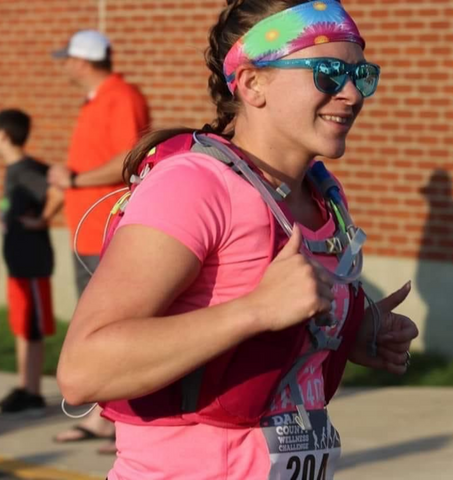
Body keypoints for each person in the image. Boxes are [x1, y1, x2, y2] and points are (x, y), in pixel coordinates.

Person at [57, 1, 418, 478]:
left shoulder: (322, 195)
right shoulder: (194, 186)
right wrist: (255, 310)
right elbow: (83, 370)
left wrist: (350, 333)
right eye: (328, 73)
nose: (352, 94)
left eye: (361, 75)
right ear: (252, 83)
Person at [49, 29, 150, 451]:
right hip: (84, 230)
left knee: (109, 329)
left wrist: (74, 179)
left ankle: (120, 420)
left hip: (105, 230)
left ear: (82, 62)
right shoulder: (96, 100)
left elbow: (130, 157)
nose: (65, 66)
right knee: (96, 326)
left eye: (68, 59)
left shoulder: (120, 96)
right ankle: (100, 417)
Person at [0, 109, 63, 416]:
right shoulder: (13, 172)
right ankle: (27, 386)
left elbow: (56, 190)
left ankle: (33, 390)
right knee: (21, 326)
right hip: (18, 265)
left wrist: (42, 220)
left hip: (33, 262)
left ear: (4, 136)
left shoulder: (26, 170)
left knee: (33, 328)